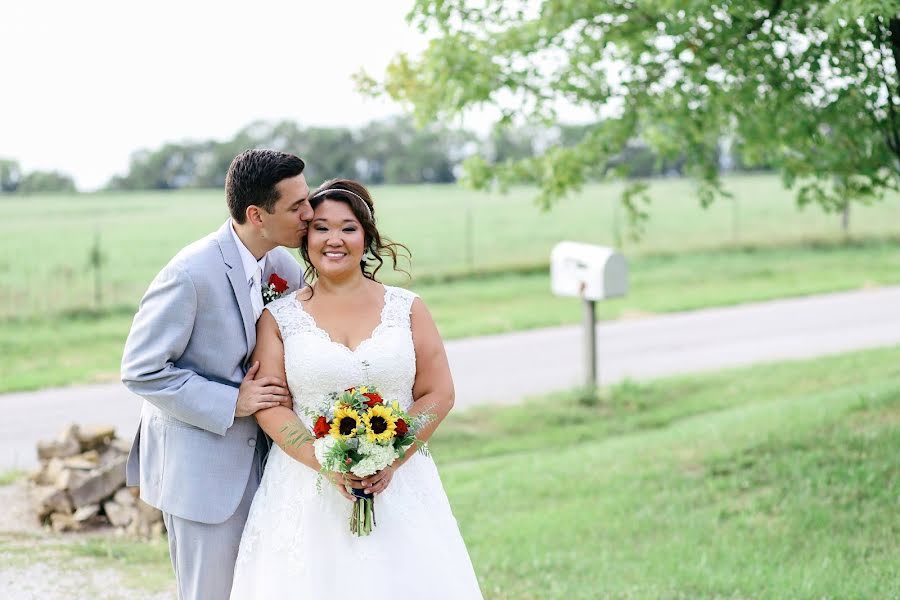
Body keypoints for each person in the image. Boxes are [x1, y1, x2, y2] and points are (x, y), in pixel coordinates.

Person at [229, 179, 483, 599]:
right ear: (305, 237)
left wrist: (392, 458)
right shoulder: (278, 318)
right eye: (321, 227)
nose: (334, 239)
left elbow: (439, 393)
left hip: (401, 487)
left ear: (366, 236)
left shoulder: (407, 308)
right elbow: (272, 405)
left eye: (348, 228)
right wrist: (327, 463)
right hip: (305, 489)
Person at [120, 149, 311, 600]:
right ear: (256, 215)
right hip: (204, 473)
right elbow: (141, 370)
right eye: (296, 206)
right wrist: (233, 401)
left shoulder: (283, 268)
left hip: (272, 467)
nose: (310, 212)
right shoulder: (190, 273)